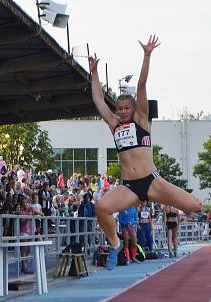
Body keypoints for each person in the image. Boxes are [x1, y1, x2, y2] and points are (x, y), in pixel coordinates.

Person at [88, 35, 201, 269]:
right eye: (119, 109)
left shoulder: (142, 120)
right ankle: (115, 243)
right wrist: (94, 73)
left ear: (134, 108)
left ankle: (186, 219)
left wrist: (147, 56)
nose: (123, 112)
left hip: (152, 181)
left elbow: (141, 85)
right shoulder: (114, 124)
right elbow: (98, 100)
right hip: (129, 187)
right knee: (101, 207)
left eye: (127, 108)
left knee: (194, 206)